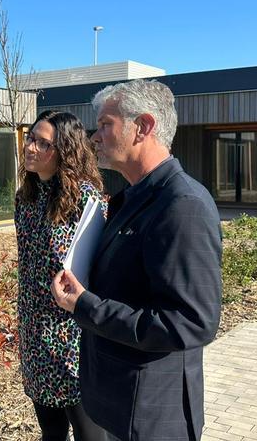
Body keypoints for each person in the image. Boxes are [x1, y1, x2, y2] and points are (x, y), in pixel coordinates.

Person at [51, 80, 222, 441]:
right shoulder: (130, 198)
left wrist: (86, 306)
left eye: (105, 125)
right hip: (117, 402)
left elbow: (191, 323)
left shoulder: (182, 205)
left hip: (149, 415)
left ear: (143, 127)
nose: (94, 137)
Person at [15, 110, 107, 441]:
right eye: (30, 138)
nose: (31, 148)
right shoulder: (25, 197)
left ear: (65, 150)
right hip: (34, 329)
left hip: (73, 332)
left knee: (89, 431)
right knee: (50, 430)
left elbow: (97, 267)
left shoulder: (86, 198)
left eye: (43, 143)